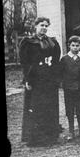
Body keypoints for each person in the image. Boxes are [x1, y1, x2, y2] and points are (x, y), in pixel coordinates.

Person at [20, 16, 62, 147]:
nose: (44, 28)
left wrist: (56, 77)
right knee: (35, 106)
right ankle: (35, 138)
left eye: (46, 26)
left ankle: (50, 135)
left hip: (49, 79)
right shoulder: (28, 42)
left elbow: (56, 60)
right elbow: (24, 62)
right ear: (36, 26)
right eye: (41, 25)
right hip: (35, 78)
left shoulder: (52, 42)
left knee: (49, 106)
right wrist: (27, 79)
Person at [60, 35, 80, 141]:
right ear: (69, 46)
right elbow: (61, 73)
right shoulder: (64, 59)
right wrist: (64, 84)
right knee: (70, 110)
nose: (75, 47)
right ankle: (71, 131)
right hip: (69, 89)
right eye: (73, 45)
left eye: (77, 45)